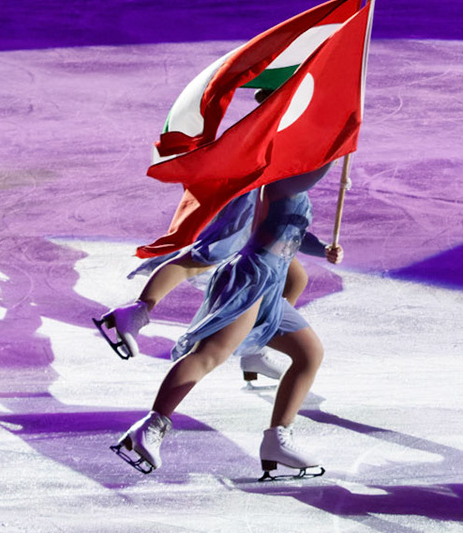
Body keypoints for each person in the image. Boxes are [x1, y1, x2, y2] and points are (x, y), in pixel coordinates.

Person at [112, 164, 346, 478]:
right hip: (250, 281)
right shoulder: (281, 183)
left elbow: (295, 235)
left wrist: (323, 249)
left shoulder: (294, 189)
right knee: (209, 355)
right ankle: (150, 428)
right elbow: (314, 172)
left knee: (309, 354)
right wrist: (339, 149)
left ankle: (277, 439)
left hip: (270, 287)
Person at [95, 182, 321, 383]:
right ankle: (137, 309)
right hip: (246, 186)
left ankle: (254, 349)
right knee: (206, 256)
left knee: (294, 279)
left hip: (255, 185)